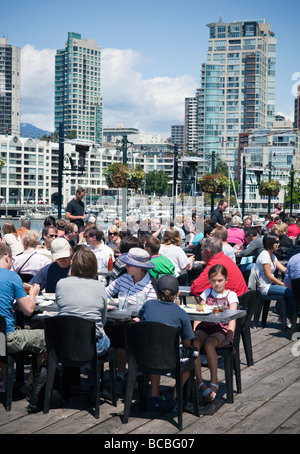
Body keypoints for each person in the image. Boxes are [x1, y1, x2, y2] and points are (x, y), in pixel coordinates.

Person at [137, 275, 195, 411]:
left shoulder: (148, 305)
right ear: (178, 294)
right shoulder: (181, 313)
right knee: (193, 358)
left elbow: (140, 319)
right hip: (170, 360)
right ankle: (173, 394)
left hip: (145, 357)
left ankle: (154, 394)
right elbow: (187, 343)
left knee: (155, 348)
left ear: (156, 293)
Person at [105, 248, 157, 392]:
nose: (125, 267)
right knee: (105, 329)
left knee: (123, 333)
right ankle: (116, 374)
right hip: (119, 321)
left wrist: (131, 320)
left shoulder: (151, 285)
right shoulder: (123, 278)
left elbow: (150, 311)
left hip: (139, 326)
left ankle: (120, 375)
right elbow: (105, 294)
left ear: (140, 268)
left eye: (128, 265)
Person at [0, 243, 46, 391]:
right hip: (7, 339)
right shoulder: (12, 276)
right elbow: (28, 310)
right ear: (7, 257)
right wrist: (32, 294)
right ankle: (31, 385)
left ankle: (7, 382)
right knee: (47, 337)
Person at [193, 264, 239, 401]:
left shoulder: (231, 295)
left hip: (221, 328)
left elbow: (233, 319)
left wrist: (228, 338)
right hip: (205, 325)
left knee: (208, 344)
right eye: (213, 280)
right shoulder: (206, 293)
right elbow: (198, 313)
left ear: (226, 280)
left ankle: (214, 380)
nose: (216, 284)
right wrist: (195, 330)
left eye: (220, 280)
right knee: (194, 343)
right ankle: (200, 381)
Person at [56, 246, 110, 357]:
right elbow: (103, 319)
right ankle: (94, 373)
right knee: (107, 339)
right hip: (92, 343)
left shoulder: (61, 283)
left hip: (64, 341)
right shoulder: (99, 286)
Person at [255, 232, 293, 325]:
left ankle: (284, 316)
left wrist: (295, 271)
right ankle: (287, 317)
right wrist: (283, 285)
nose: (278, 244)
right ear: (269, 242)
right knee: (292, 292)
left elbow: (284, 269)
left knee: (293, 291)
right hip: (265, 287)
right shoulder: (264, 255)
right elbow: (269, 277)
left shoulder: (272, 255)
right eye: (276, 242)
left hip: (271, 285)